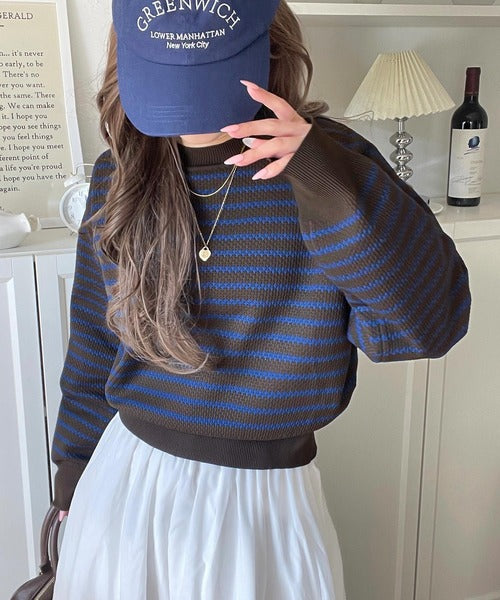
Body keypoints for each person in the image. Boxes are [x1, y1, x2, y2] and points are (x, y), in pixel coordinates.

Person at [51, 0, 472, 598]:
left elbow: (427, 327)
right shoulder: (119, 177)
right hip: (124, 489)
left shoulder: (334, 167)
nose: (188, 114)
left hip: (264, 507)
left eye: (208, 76)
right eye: (169, 78)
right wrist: (71, 474)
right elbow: (94, 343)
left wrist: (324, 179)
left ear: (271, 46)